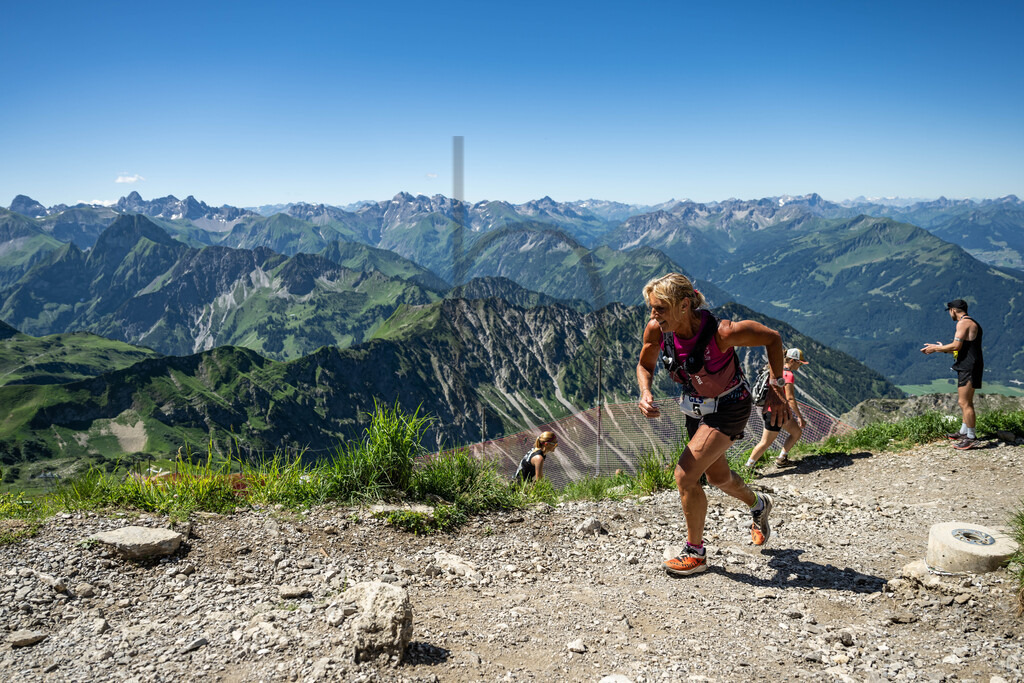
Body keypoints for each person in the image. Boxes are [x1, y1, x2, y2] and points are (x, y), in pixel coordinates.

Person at [636, 273, 790, 576]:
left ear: (683, 305)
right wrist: (645, 391)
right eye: (651, 308)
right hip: (696, 410)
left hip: (730, 407)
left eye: (660, 308)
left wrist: (777, 383)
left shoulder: (723, 333)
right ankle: (759, 504)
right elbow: (644, 365)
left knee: (685, 475)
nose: (653, 315)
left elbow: (772, 338)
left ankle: (696, 553)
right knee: (718, 477)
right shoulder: (657, 330)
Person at [921, 299, 984, 450]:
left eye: (949, 311)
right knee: (966, 401)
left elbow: (956, 345)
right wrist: (942, 348)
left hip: (968, 367)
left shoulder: (962, 323)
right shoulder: (970, 322)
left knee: (964, 402)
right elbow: (960, 349)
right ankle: (964, 431)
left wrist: (936, 348)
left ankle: (971, 437)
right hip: (970, 366)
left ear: (953, 310)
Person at [745, 348, 808, 468]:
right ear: (791, 361)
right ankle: (748, 466)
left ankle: (781, 459)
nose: (800, 365)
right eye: (799, 362)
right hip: (775, 413)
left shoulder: (775, 370)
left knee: (796, 432)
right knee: (765, 442)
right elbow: (790, 399)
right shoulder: (788, 375)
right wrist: (800, 417)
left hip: (772, 410)